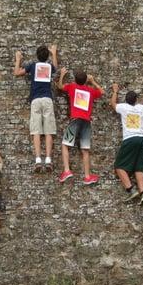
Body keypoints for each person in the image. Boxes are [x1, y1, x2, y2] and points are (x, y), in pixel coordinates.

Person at [110, 84, 143, 204]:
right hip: (142, 139)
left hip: (130, 139)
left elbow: (113, 104)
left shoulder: (123, 107)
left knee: (119, 166)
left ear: (126, 100)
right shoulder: (141, 108)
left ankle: (131, 190)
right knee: (138, 167)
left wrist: (115, 91)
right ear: (136, 100)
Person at [14, 44, 58, 172]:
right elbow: (56, 67)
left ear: (37, 56)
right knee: (49, 130)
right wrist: (54, 53)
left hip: (35, 100)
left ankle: (38, 160)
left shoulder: (32, 66)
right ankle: (48, 159)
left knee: (36, 131)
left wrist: (18, 59)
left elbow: (17, 73)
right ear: (47, 56)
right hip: (47, 99)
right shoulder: (49, 67)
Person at [56, 67, 104, 184]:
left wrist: (62, 74)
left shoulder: (72, 87)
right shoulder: (90, 91)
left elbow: (60, 86)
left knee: (65, 144)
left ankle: (67, 170)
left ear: (75, 79)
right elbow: (102, 92)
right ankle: (87, 176)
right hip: (86, 121)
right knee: (85, 149)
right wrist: (93, 82)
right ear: (85, 80)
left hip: (76, 119)